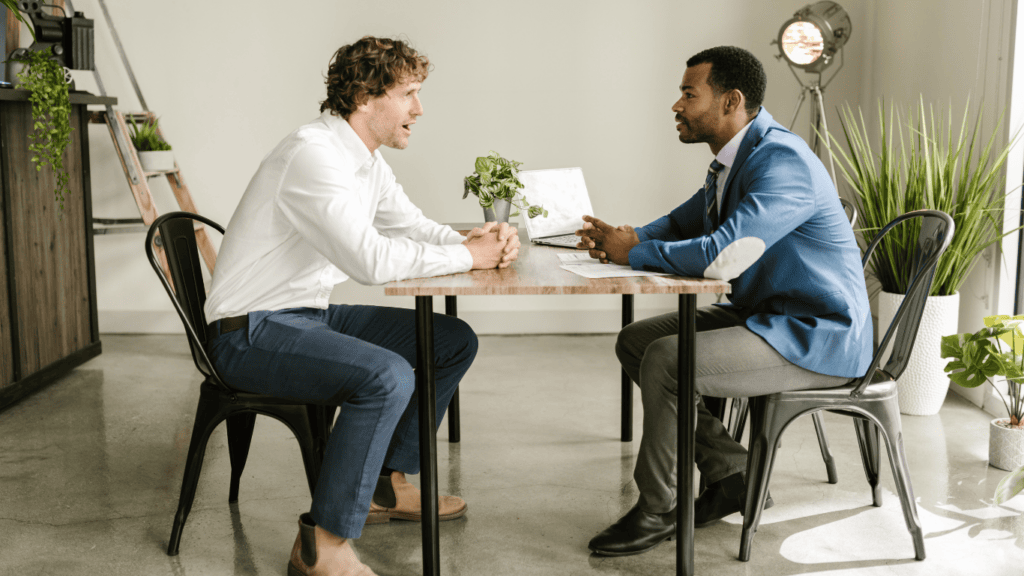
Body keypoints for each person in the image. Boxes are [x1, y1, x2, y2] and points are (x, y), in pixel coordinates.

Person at [203, 36, 520, 576]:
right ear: (365, 97)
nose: (419, 109)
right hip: (250, 331)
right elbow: (371, 262)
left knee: (449, 340)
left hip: (305, 315)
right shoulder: (313, 153)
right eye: (409, 94)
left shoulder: (364, 161)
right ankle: (321, 545)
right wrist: (468, 254)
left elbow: (413, 226)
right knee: (387, 375)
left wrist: (476, 241)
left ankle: (385, 487)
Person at [578, 46, 872, 557]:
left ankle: (658, 507)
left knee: (670, 360)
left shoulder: (780, 160)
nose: (677, 105)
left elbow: (723, 256)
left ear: (731, 100)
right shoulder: (735, 158)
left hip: (816, 332)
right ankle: (731, 472)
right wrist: (624, 238)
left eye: (689, 95)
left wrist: (638, 252)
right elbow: (681, 222)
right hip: (766, 317)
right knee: (638, 340)